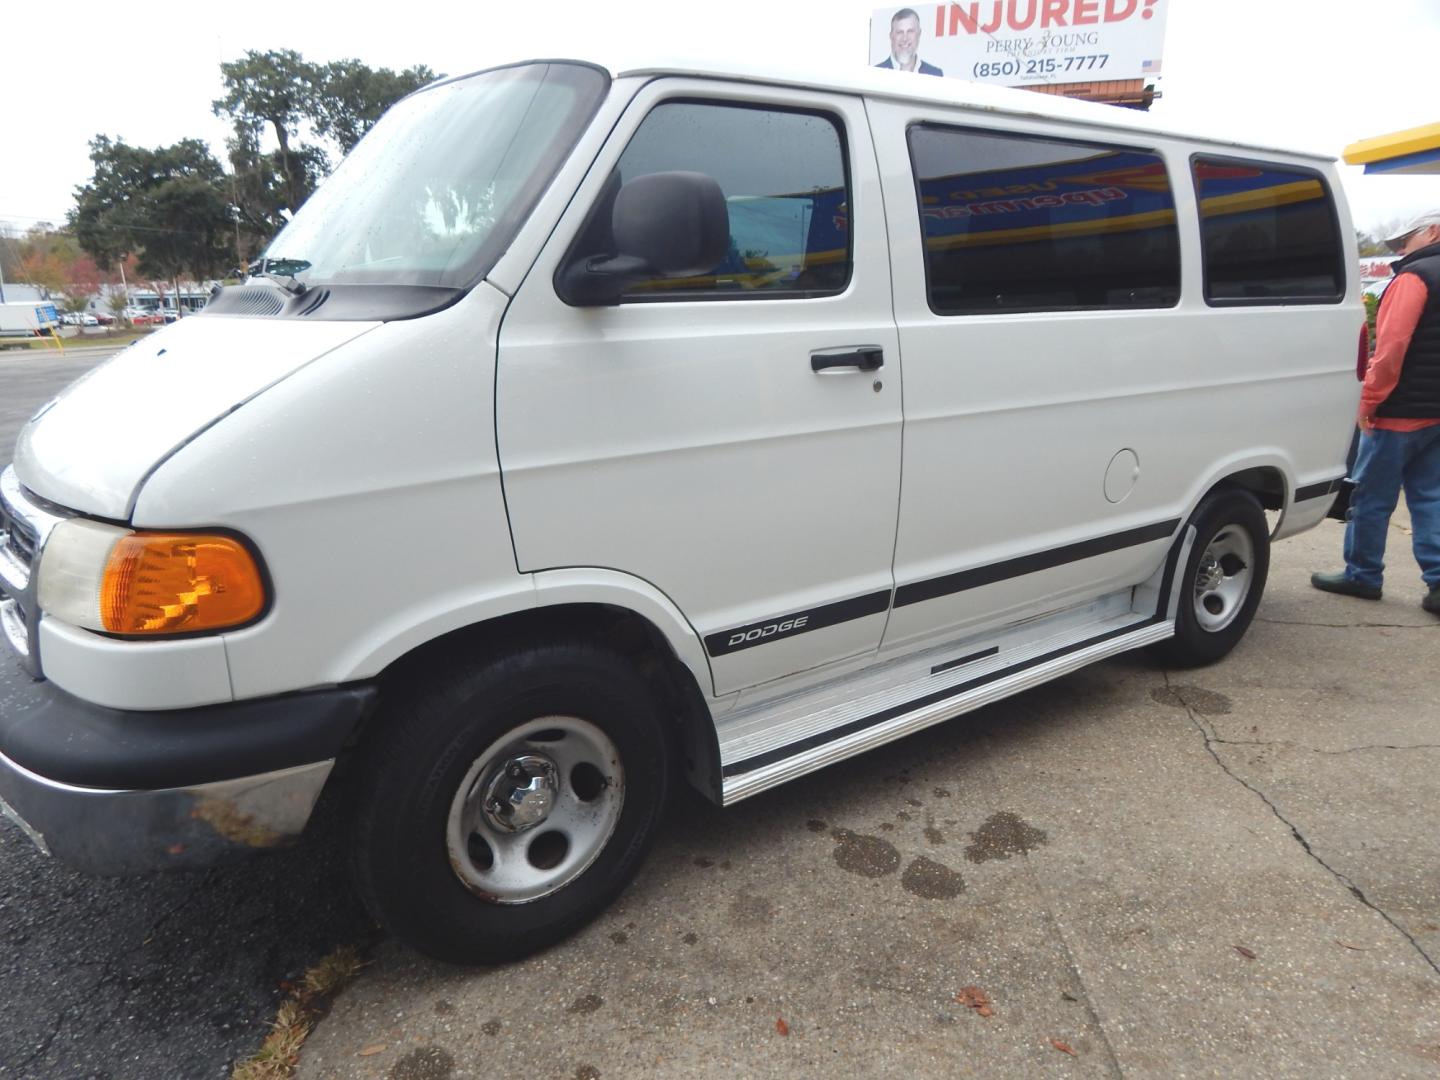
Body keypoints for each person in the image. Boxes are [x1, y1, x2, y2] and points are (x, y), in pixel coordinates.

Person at [1312, 210, 1440, 616]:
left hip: (1399, 412)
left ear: (1434, 232)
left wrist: (1369, 401)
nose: (1399, 248)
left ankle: (1362, 574)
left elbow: (1390, 347)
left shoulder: (1414, 278)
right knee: (1430, 496)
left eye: (1405, 240)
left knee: (1369, 498)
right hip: (1436, 413)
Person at [876, 8, 944, 76]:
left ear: (919, 34)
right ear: (891, 36)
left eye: (910, 31)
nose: (905, 38)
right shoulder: (875, 74)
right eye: (899, 32)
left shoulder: (935, 74)